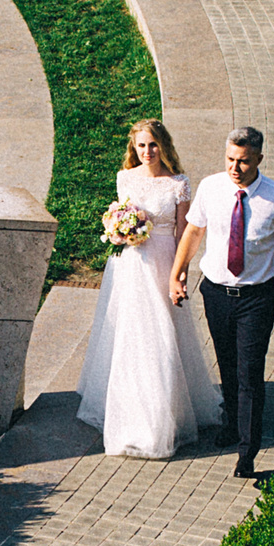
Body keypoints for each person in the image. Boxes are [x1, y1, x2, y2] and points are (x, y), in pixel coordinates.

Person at [76, 120, 223, 457]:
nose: (147, 152)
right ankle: (128, 412)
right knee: (129, 334)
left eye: (153, 145)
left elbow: (183, 233)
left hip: (161, 262)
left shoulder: (179, 184)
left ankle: (166, 411)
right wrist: (118, 232)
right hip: (129, 266)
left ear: (164, 146)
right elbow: (116, 217)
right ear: (134, 148)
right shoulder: (125, 178)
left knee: (161, 333)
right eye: (141, 146)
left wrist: (179, 272)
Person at [172, 126, 274, 479]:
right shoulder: (211, 187)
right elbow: (193, 231)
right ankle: (232, 425)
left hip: (256, 298)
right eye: (231, 159)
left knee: (250, 373)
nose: (235, 168)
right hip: (216, 293)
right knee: (228, 366)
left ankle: (247, 452)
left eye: (244, 162)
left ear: (259, 160)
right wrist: (179, 272)